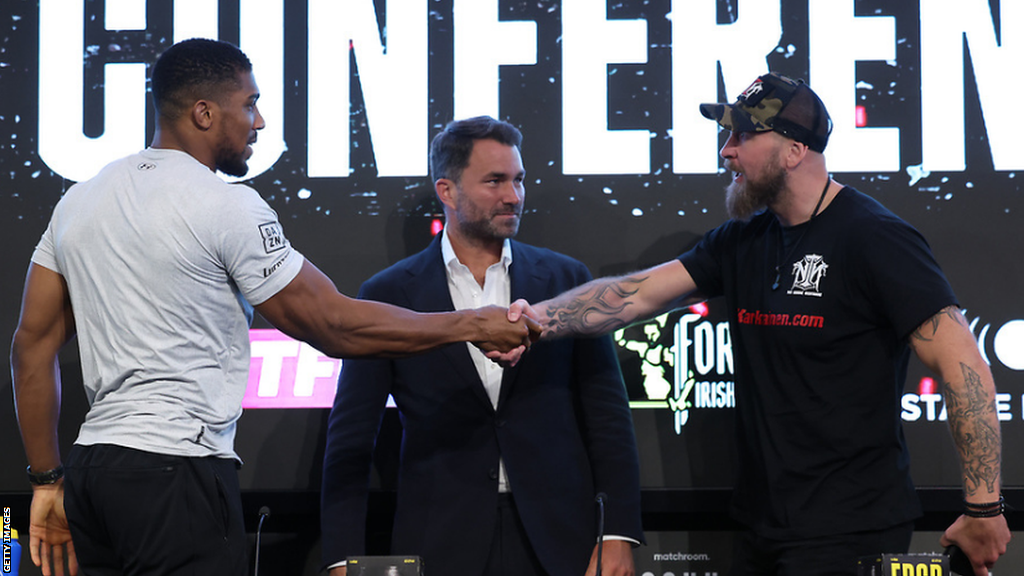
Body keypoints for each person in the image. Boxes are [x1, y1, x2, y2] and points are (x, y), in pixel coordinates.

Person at [10, 39, 536, 576]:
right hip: (177, 471)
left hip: (95, 470)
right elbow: (332, 324)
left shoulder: (79, 201)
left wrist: (46, 481)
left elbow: (31, 346)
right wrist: (470, 323)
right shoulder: (225, 204)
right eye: (249, 103)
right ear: (204, 113)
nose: (258, 121)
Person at [499, 73, 1010, 576]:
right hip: (761, 529)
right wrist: (534, 320)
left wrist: (984, 508)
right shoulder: (742, 240)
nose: (727, 151)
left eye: (743, 135)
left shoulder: (874, 239)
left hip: (850, 531)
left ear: (794, 151)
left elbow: (963, 366)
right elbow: (634, 296)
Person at [320, 116, 644, 576]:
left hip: (562, 540)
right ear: (447, 191)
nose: (513, 196)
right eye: (494, 181)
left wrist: (616, 532)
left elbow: (607, 415)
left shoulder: (565, 280)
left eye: (518, 180)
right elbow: (352, 434)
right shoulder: (389, 294)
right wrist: (340, 557)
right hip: (440, 542)